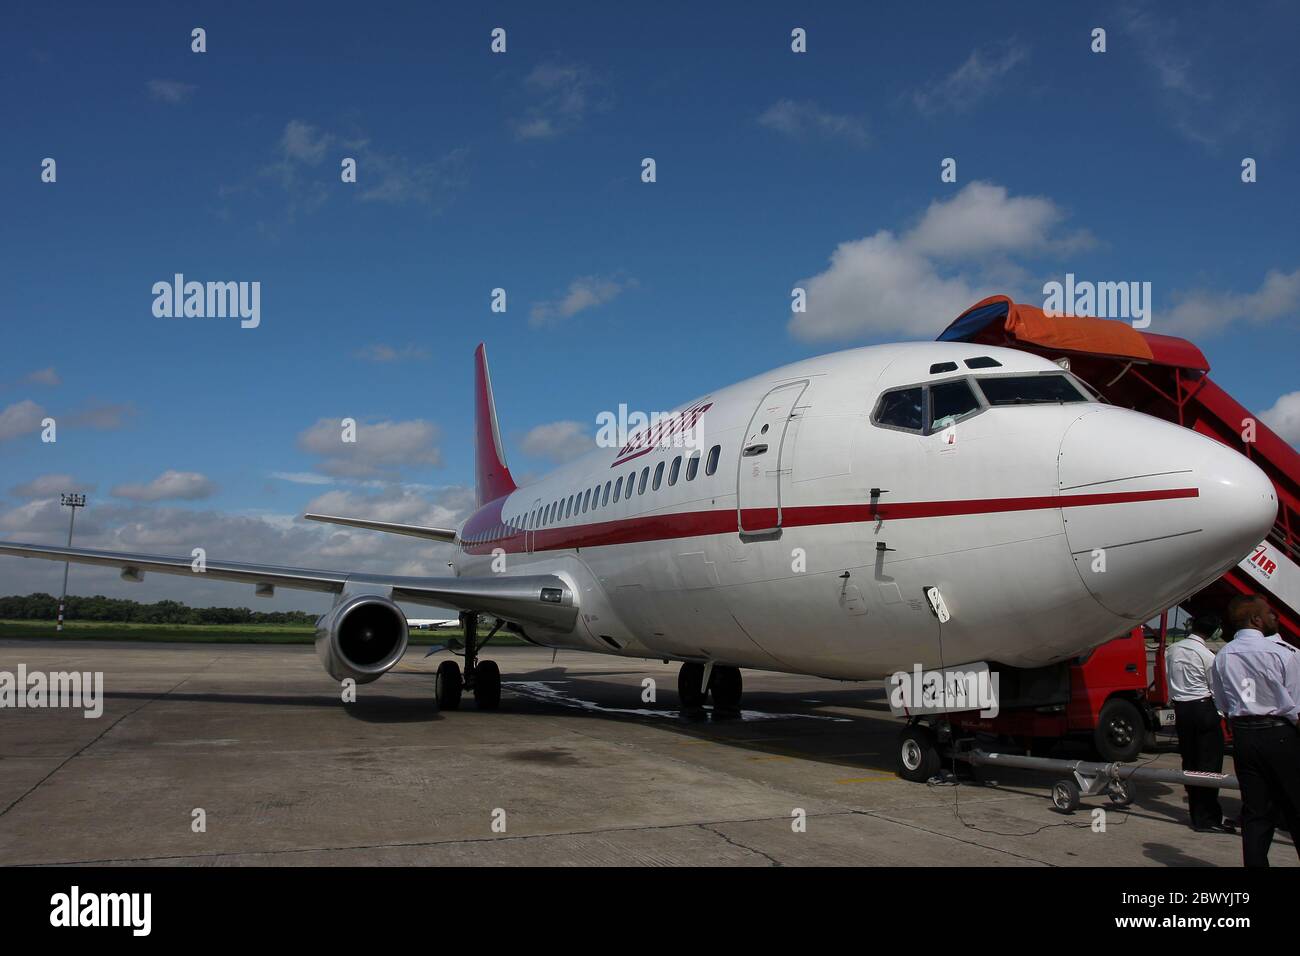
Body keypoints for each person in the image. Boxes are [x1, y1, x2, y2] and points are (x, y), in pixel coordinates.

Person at [1210, 594, 1300, 867]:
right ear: (1256, 619)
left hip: (1245, 739)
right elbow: (1297, 707)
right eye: (1270, 613)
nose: (1276, 617)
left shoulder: (1222, 656)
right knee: (1295, 808)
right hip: (1280, 735)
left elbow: (1223, 704)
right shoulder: (1283, 652)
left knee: (1256, 813)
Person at [1165, 614, 1231, 832]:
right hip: (1203, 708)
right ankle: (1209, 818)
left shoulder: (1172, 650)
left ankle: (1197, 814)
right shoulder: (1207, 655)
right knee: (1209, 765)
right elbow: (1216, 688)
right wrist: (1221, 714)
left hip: (1182, 709)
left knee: (1190, 762)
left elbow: (1169, 679)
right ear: (1211, 632)